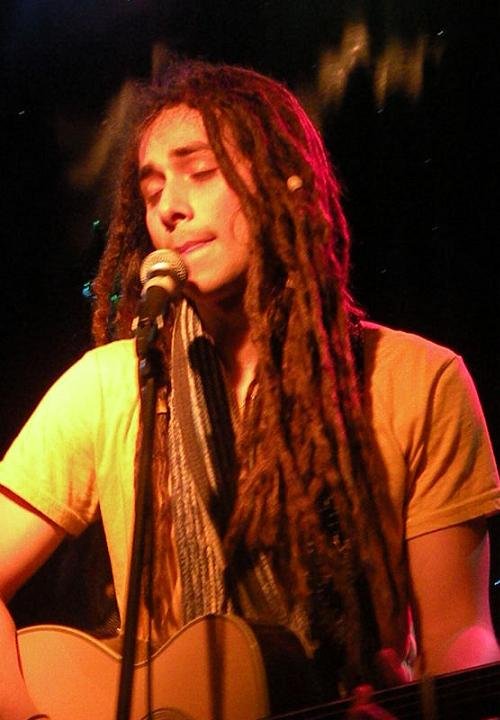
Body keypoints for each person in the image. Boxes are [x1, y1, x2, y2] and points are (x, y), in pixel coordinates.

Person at [1, 59, 499, 720]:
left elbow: (459, 631)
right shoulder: (109, 387)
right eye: (152, 191)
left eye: (201, 172)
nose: (170, 208)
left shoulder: (420, 382)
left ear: (281, 184)